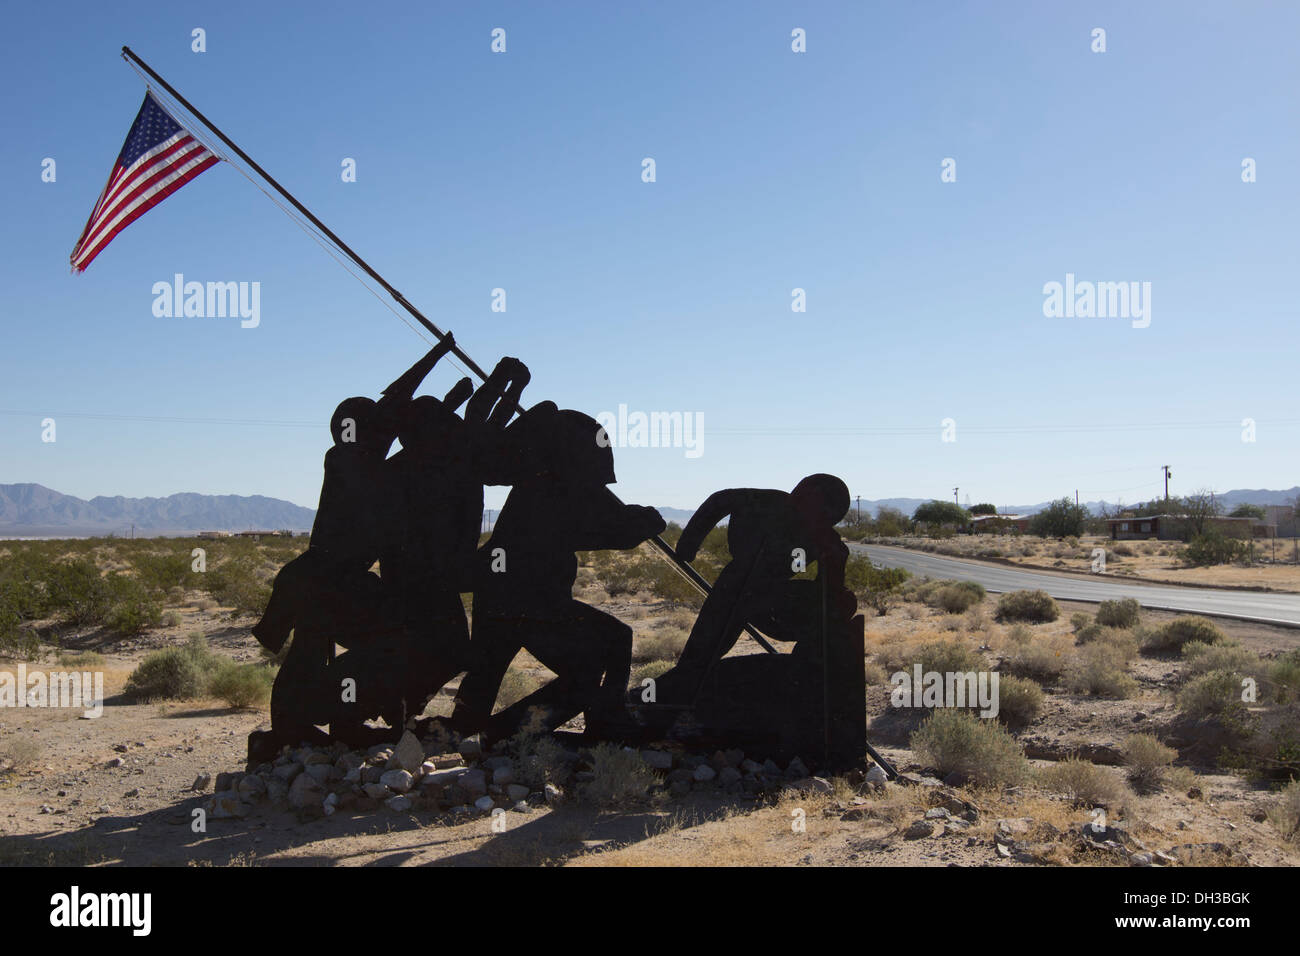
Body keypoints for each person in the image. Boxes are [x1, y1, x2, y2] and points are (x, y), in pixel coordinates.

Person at [247, 338, 455, 762]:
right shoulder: (346, 461)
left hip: (330, 577)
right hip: (328, 577)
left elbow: (395, 408)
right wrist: (437, 355)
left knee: (314, 643)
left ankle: (321, 722)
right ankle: (318, 719)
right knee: (389, 636)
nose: (390, 427)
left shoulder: (365, 464)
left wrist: (445, 376)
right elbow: (395, 403)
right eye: (380, 425)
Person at [452, 405, 665, 742]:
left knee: (486, 672)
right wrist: (648, 521)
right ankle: (593, 725)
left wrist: (636, 519)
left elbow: (607, 521)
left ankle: (474, 732)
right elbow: (612, 531)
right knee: (613, 642)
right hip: (535, 600)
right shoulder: (565, 491)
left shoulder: (535, 485)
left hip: (498, 592)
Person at [653, 474, 856, 705]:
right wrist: (689, 544)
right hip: (737, 585)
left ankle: (808, 674)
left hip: (770, 597)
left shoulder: (825, 540)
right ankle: (670, 693)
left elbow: (826, 595)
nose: (812, 517)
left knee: (843, 602)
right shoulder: (764, 502)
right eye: (811, 505)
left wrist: (835, 567)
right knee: (703, 651)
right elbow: (719, 501)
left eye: (823, 515)